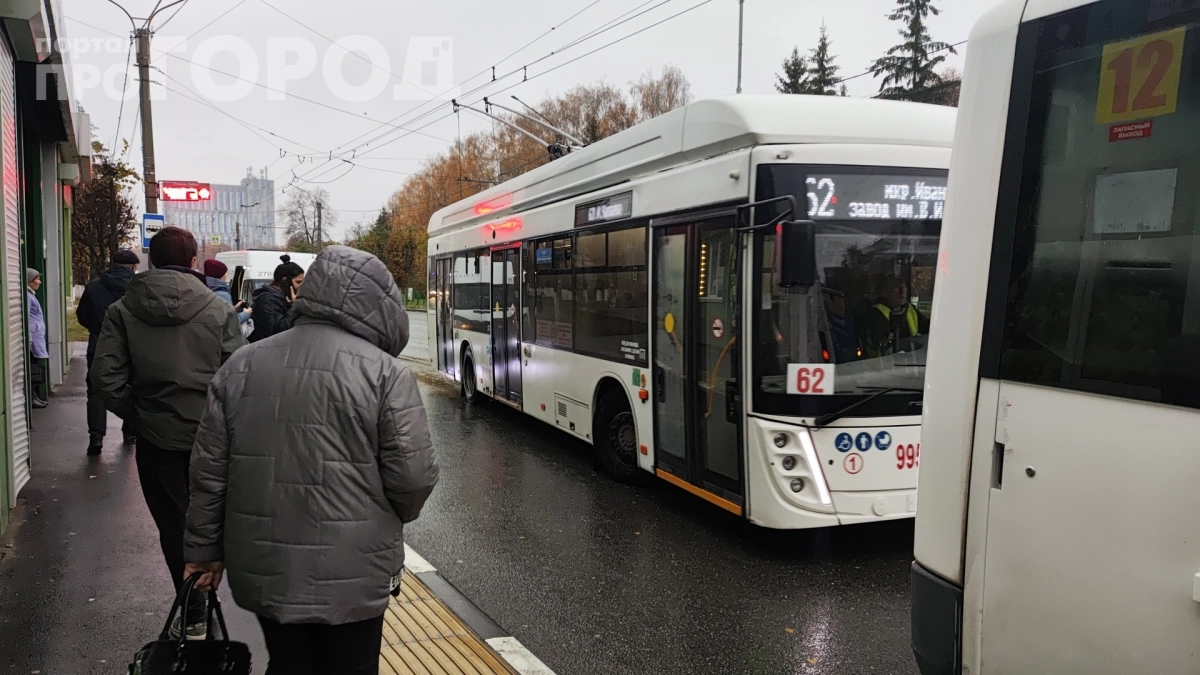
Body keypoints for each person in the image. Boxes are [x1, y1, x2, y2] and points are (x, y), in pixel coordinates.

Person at [184, 246, 439, 675]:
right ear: (380, 305)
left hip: (264, 568)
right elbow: (413, 478)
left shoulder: (242, 365)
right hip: (354, 569)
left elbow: (209, 473)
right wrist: (391, 517)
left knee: (287, 663)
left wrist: (204, 551)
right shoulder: (385, 373)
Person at [91, 227, 245, 639]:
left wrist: (139, 413)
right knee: (210, 517)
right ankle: (205, 595)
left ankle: (191, 606)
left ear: (151, 261)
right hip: (211, 439)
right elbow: (238, 376)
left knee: (173, 524)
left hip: (156, 439)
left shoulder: (122, 311)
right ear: (193, 260)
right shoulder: (218, 310)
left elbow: (105, 377)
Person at [77, 249, 140, 454]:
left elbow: (82, 315)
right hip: (130, 344)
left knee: (95, 389)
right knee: (132, 384)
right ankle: (130, 430)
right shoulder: (137, 288)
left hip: (99, 343)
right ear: (133, 267)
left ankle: (96, 437)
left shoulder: (94, 287)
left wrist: (97, 329)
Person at [247, 255, 304, 343]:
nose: (301, 286)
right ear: (285, 280)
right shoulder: (268, 301)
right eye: (298, 282)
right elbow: (279, 330)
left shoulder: (284, 298)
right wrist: (293, 306)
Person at [202, 259, 250, 326]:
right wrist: (246, 314)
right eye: (224, 273)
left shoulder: (203, 289)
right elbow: (230, 323)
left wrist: (234, 308)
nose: (226, 275)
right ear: (220, 275)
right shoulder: (223, 295)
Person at [25, 269, 47, 409]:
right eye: (36, 279)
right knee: (32, 368)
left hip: (36, 337)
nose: (39, 282)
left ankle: (34, 396)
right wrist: (29, 339)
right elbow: (26, 317)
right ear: (29, 280)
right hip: (33, 339)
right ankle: (32, 397)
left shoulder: (31, 295)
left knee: (35, 366)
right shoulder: (27, 296)